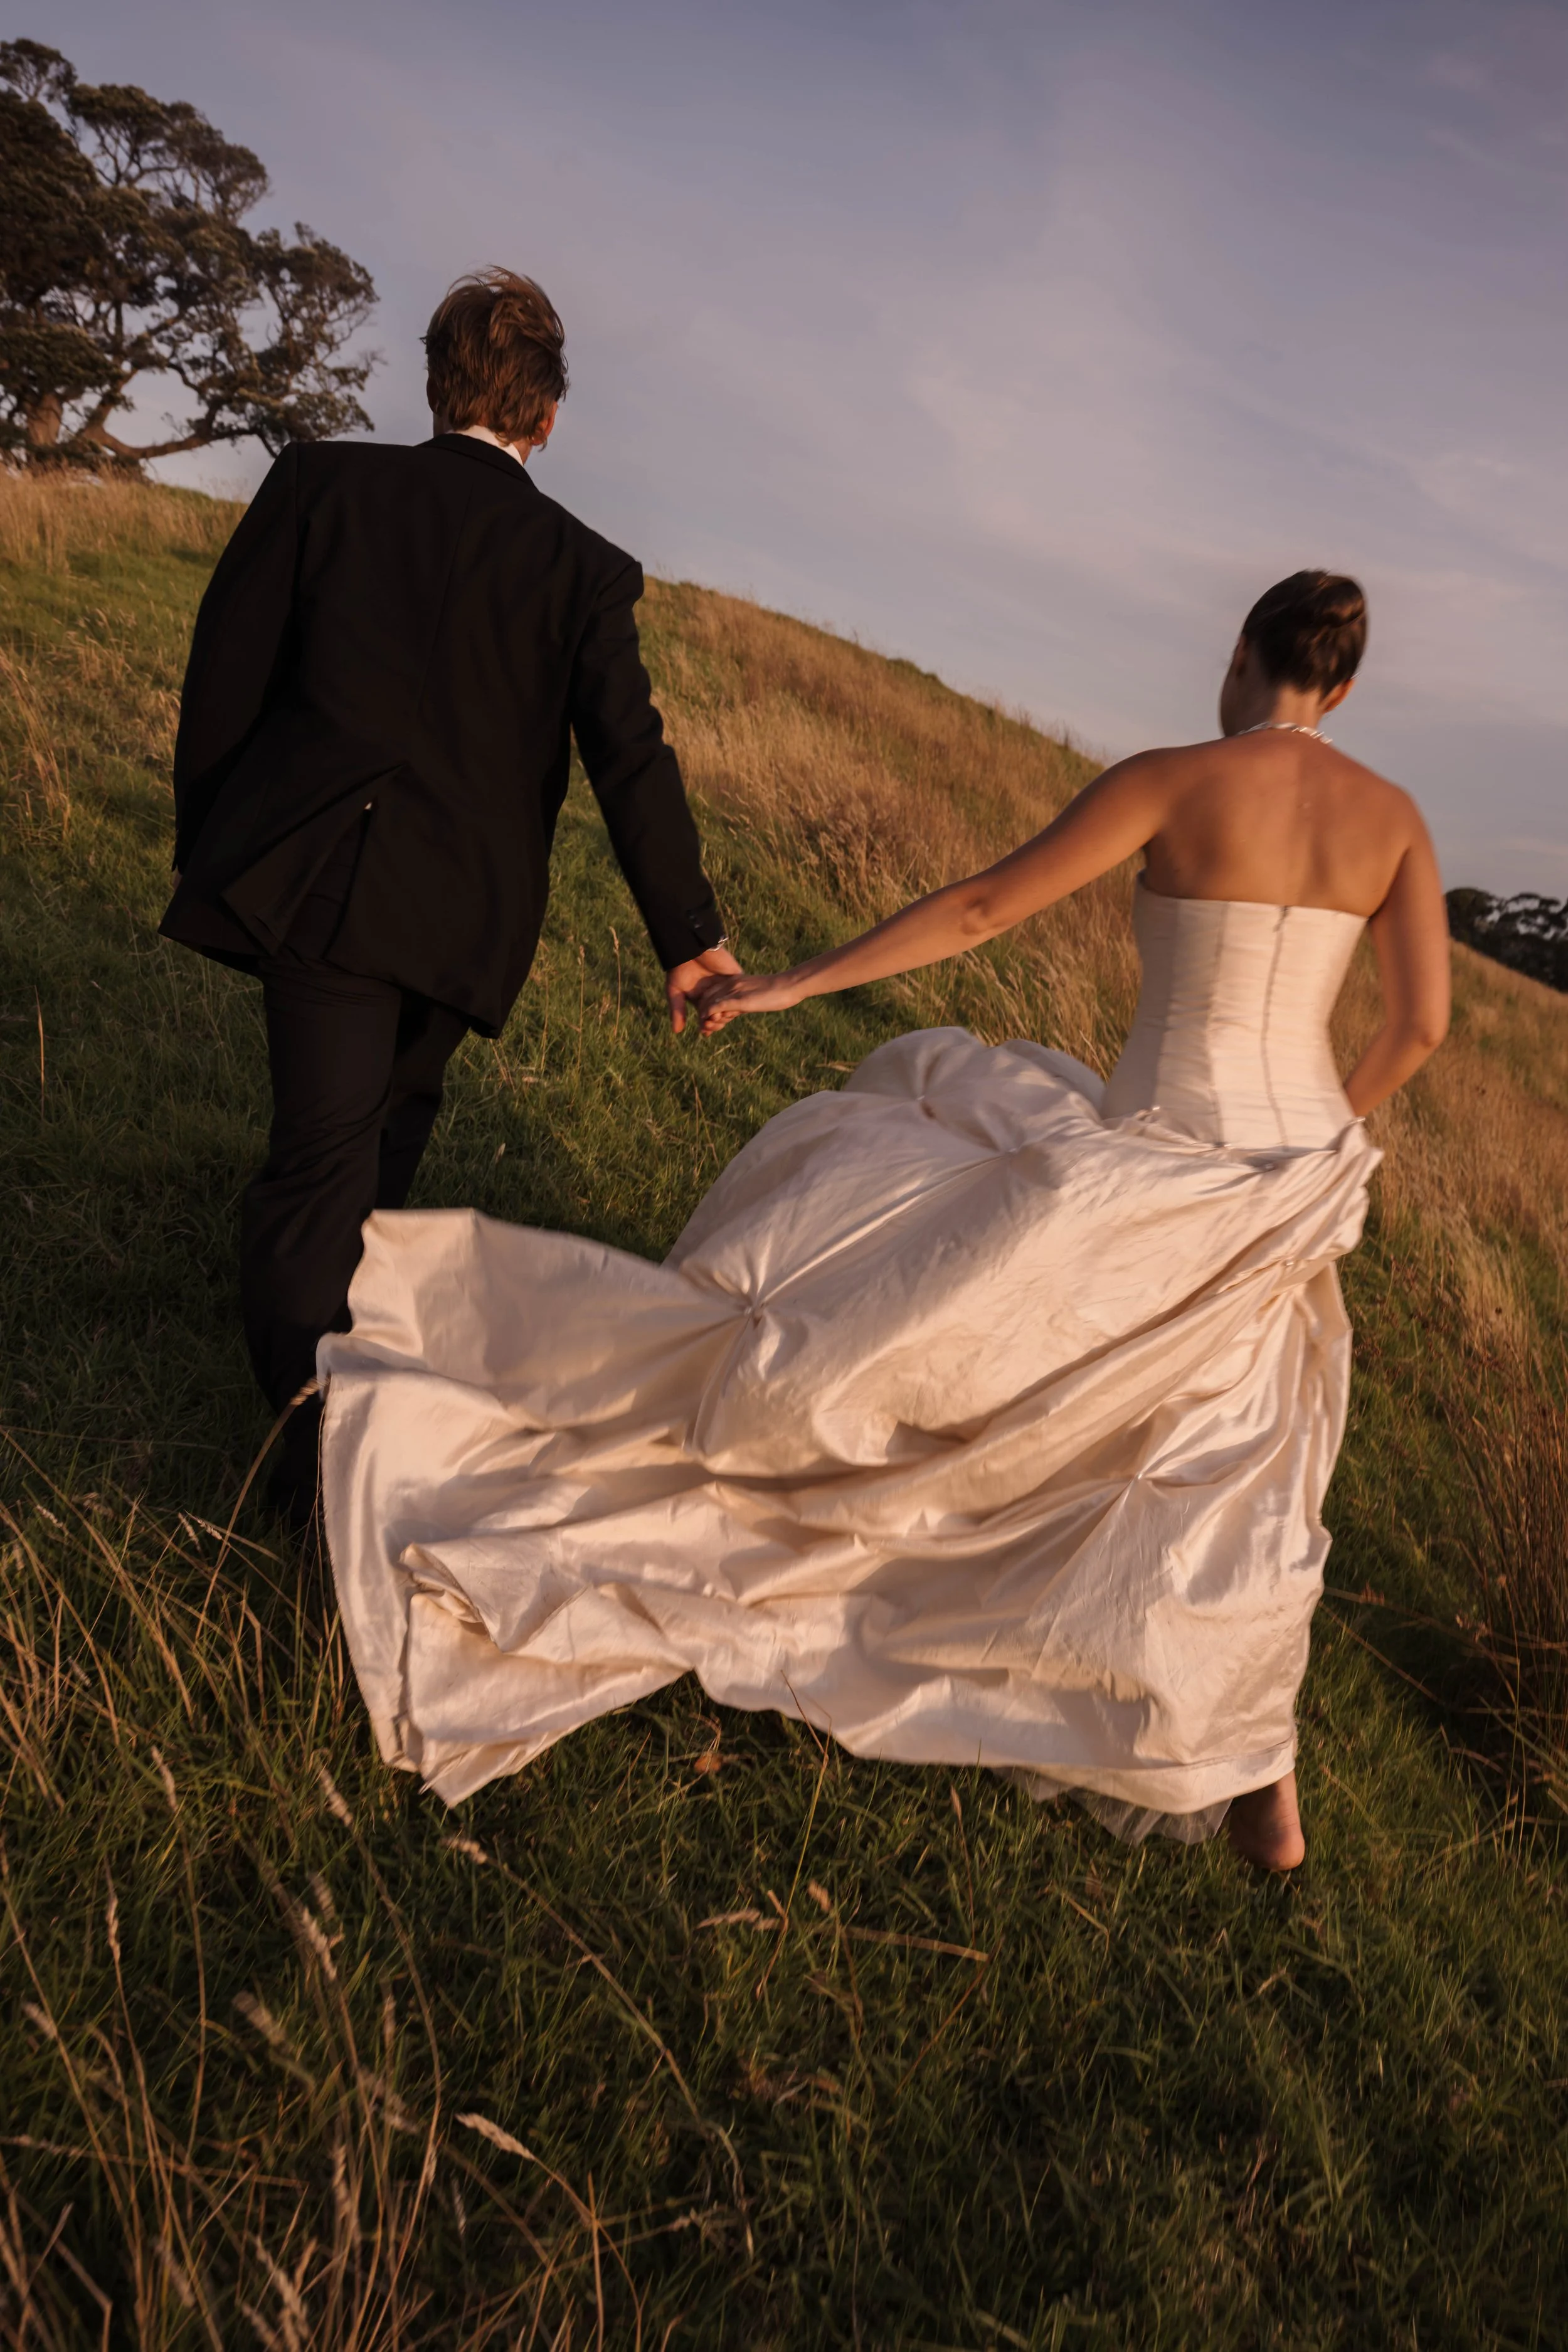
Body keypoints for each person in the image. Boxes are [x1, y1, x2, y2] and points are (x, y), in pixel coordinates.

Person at [318, 572, 1449, 1870]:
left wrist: (791, 984)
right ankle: (1257, 1779)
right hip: (1292, 1166)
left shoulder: (1174, 781)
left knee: (1028, 1361)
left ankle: (1172, 1725)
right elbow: (1416, 1027)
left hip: (1154, 1145)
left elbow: (979, 911)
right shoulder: (1396, 821)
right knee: (1248, 1455)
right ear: (1344, 686)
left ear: (1241, 653)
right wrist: (1300, 1154)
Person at [159, 269, 739, 1525]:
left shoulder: (323, 483)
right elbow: (630, 757)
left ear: (434, 386)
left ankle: (320, 1451)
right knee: (371, 1160)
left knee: (325, 1167)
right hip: (463, 917)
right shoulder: (583, 568)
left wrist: (211, 845)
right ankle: (330, 1439)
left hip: (314, 877)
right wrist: (687, 939)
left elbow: (224, 677)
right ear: (544, 418)